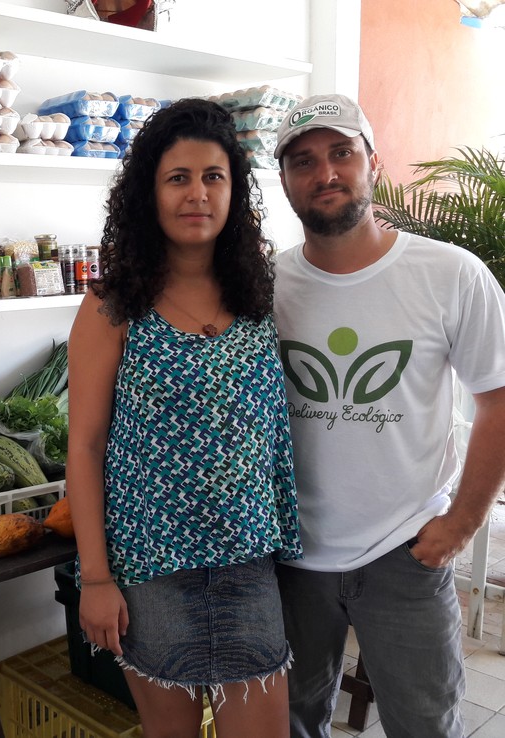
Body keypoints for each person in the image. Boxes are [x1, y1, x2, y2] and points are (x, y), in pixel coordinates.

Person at [66, 97, 303, 738]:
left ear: (233, 190)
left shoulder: (259, 293)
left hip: (249, 563)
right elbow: (84, 448)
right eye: (178, 178)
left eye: (213, 177)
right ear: (150, 192)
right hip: (151, 572)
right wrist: (94, 579)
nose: (197, 194)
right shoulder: (112, 304)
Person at [272, 93, 505, 738]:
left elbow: (499, 399)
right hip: (291, 556)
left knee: (425, 724)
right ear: (284, 179)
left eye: (341, 152)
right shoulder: (264, 284)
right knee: (290, 722)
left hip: (405, 551)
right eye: (303, 161)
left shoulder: (451, 274)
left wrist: (461, 521)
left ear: (372, 160)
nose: (325, 173)